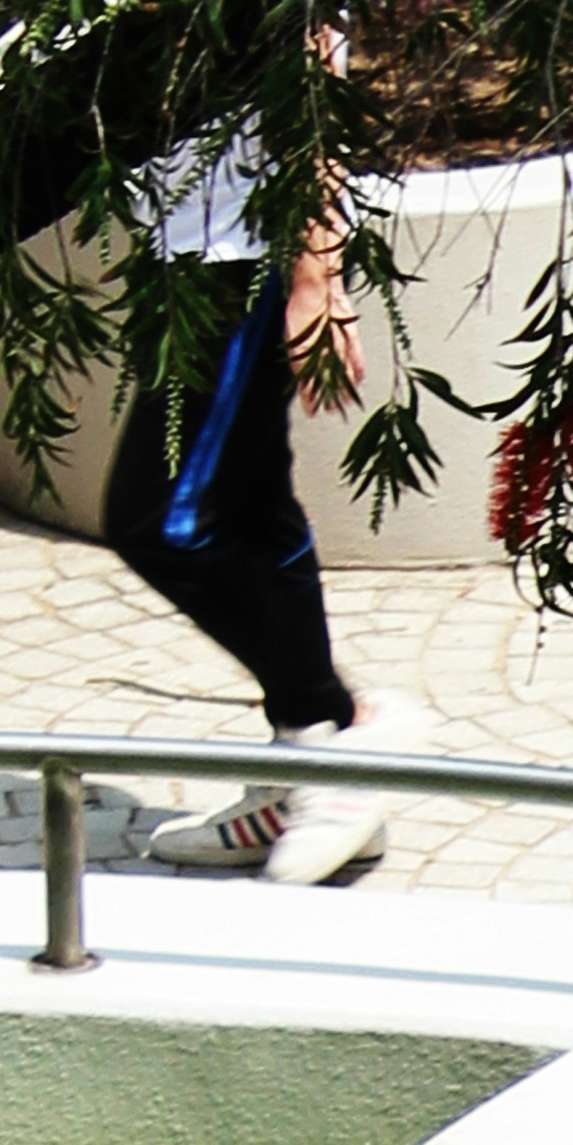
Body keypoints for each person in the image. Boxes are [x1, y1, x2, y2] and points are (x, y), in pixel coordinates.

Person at [102, 84, 394, 880]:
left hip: (246, 251)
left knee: (166, 522)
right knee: (257, 503)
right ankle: (302, 770)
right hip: (185, 248)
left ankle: (338, 733)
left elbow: (315, 82)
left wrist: (315, 276)